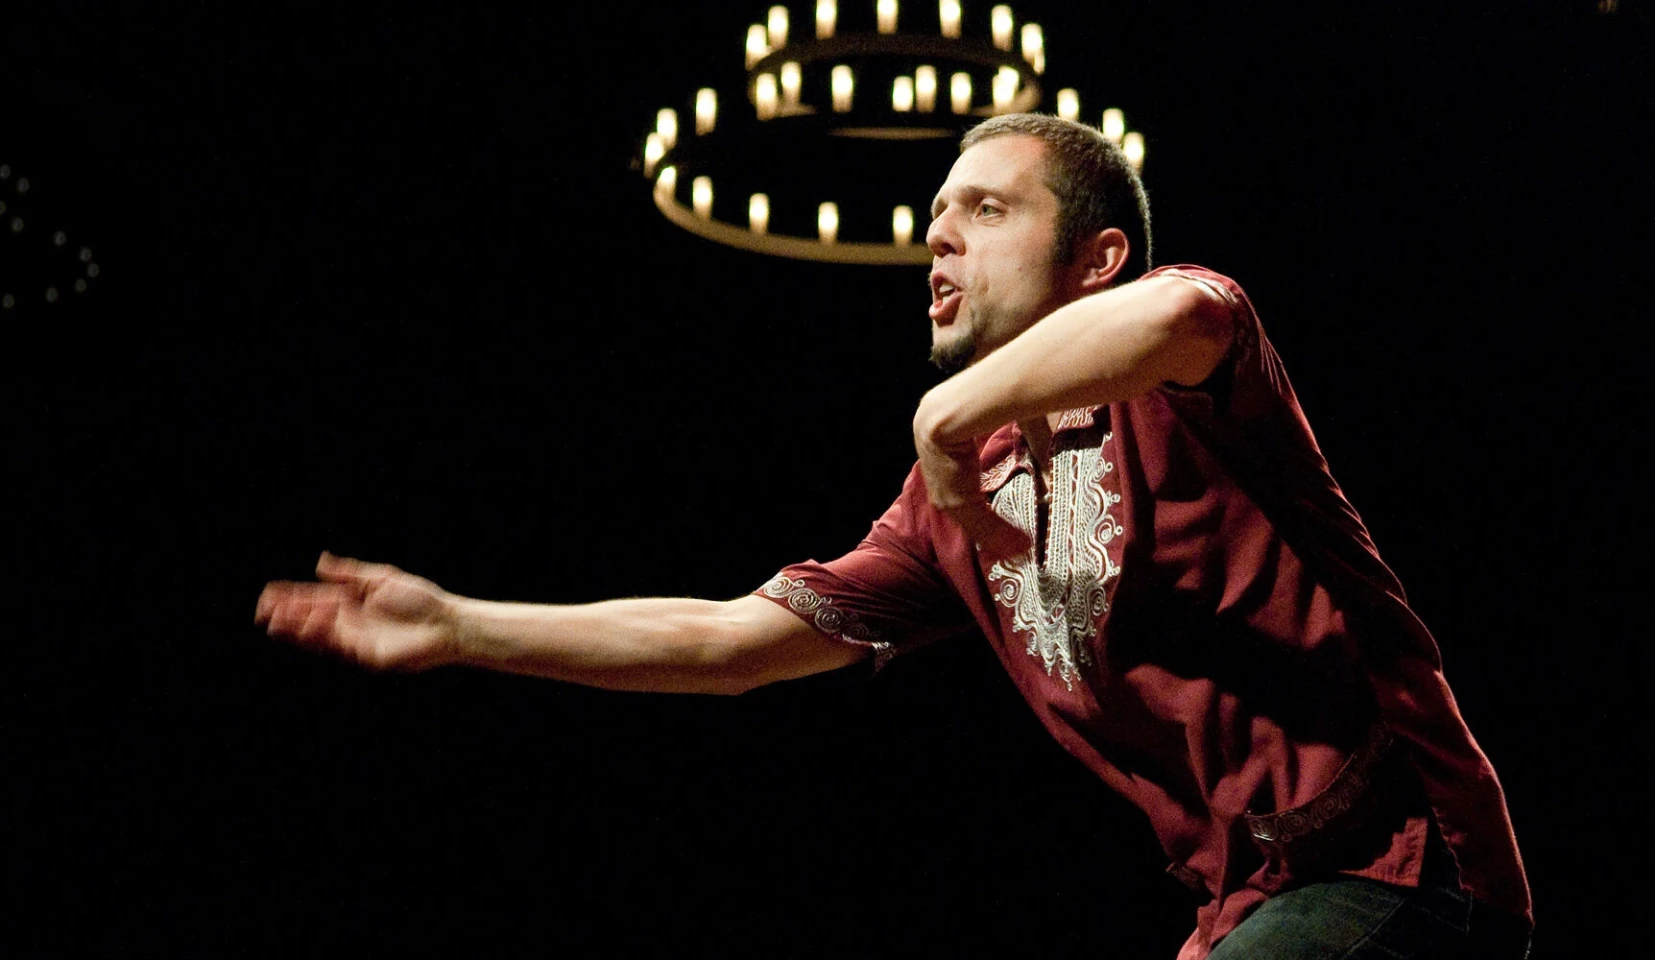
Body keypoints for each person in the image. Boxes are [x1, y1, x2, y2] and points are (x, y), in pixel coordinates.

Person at [256, 113, 1532, 959]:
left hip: (1406, 865)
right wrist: (462, 627)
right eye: (937, 212)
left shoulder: (1183, 366)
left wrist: (943, 416)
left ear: (1097, 258)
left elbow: (1192, 313)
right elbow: (729, 642)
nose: (938, 235)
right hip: (1245, 910)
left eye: (986, 209)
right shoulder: (948, 504)